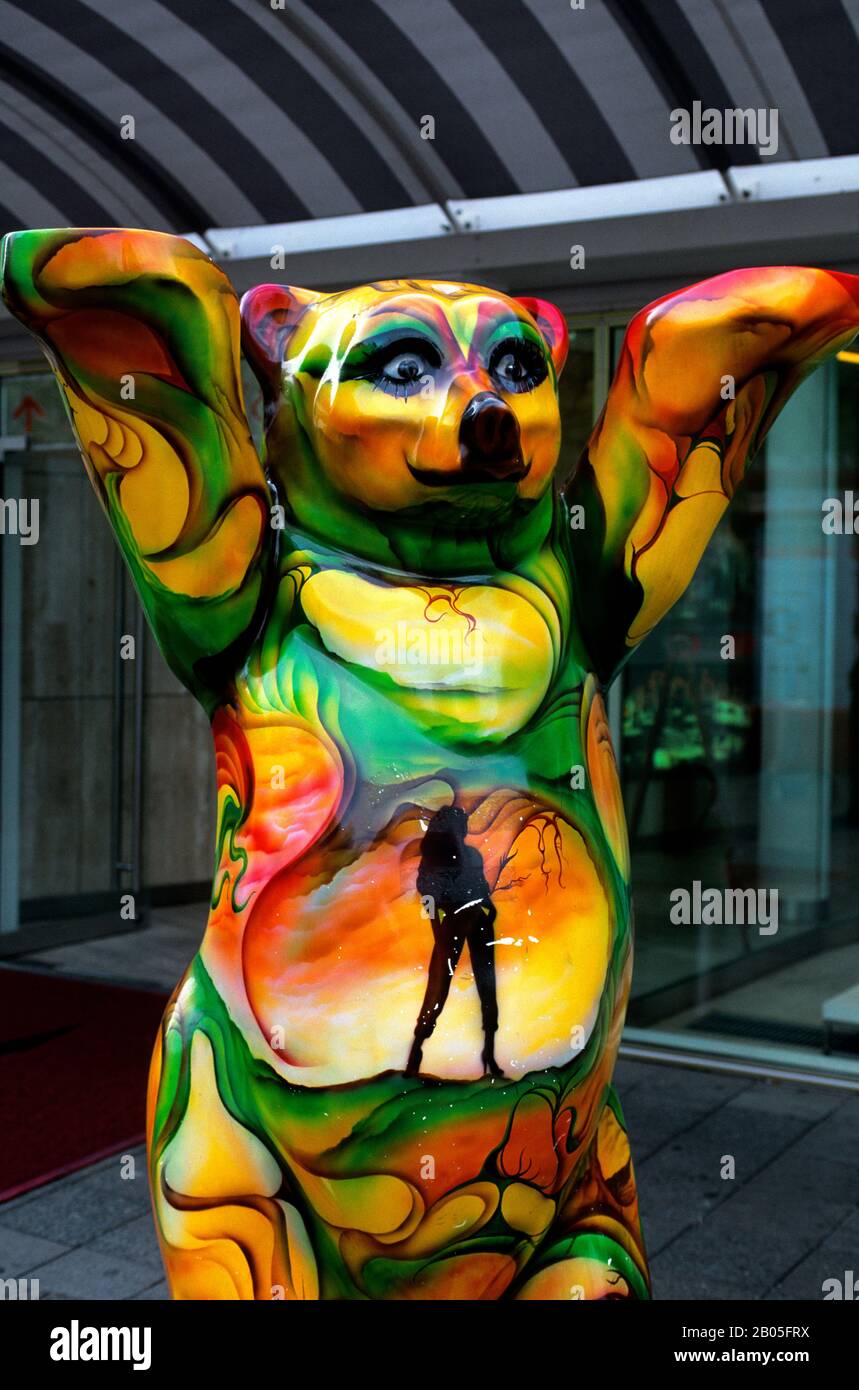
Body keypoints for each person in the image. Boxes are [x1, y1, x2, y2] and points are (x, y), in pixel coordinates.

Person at [406, 805, 503, 1078]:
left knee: (487, 984)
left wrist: (489, 908)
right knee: (439, 984)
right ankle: (416, 1048)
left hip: (478, 922)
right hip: (452, 923)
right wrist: (439, 931)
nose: (464, 829)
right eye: (460, 824)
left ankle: (489, 1052)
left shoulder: (471, 855)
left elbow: (481, 888)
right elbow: (430, 898)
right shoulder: (436, 860)